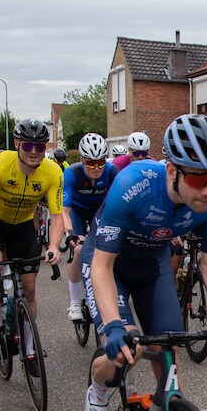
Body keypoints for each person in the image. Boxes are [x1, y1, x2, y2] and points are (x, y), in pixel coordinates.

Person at [82, 114, 207, 411]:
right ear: (172, 171)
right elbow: (101, 265)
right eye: (200, 178)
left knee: (167, 355)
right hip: (108, 264)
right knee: (124, 353)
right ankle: (98, 393)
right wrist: (114, 325)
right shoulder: (134, 184)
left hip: (152, 265)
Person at [0, 118, 65, 376]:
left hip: (23, 226)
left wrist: (54, 245)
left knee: (30, 290)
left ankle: (30, 348)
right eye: (28, 146)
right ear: (17, 144)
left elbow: (57, 216)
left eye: (40, 146)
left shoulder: (53, 171)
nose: (34, 152)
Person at [62, 133, 118, 320]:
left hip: (99, 212)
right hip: (77, 212)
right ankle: (74, 303)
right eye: (91, 163)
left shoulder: (111, 171)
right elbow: (64, 211)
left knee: (113, 249)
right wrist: (70, 232)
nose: (96, 168)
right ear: (82, 160)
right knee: (78, 251)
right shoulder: (72, 173)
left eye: (100, 162)